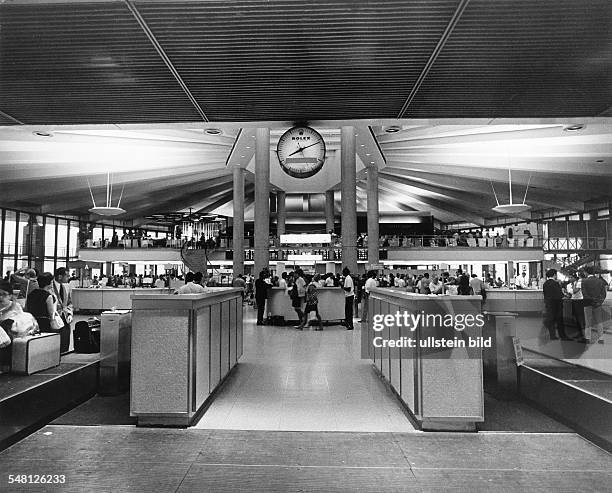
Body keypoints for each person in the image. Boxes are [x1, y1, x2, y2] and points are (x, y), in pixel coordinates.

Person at [581, 266, 608, 343]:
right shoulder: (600, 281)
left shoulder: (584, 281)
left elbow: (584, 294)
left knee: (588, 322)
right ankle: (601, 339)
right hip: (598, 305)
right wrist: (599, 302)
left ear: (586, 272)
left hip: (587, 304)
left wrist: (591, 301)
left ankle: (587, 339)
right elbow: (603, 294)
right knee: (599, 321)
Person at [542, 269, 570, 340]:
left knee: (551, 319)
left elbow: (545, 294)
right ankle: (563, 336)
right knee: (559, 321)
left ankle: (552, 335)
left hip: (549, 304)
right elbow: (559, 295)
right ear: (554, 275)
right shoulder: (556, 283)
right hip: (557, 304)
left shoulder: (545, 283)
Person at [52, 267, 73, 353]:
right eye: (67, 276)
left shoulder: (66, 287)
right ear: (60, 276)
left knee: (65, 339)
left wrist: (70, 313)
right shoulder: (50, 287)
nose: (68, 278)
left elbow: (69, 303)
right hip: (55, 318)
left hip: (65, 318)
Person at [570, 270, 586, 342]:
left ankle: (583, 336)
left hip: (579, 301)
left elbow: (575, 291)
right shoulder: (577, 282)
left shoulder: (579, 281)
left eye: (571, 277)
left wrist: (573, 285)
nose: (570, 278)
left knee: (580, 318)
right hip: (575, 300)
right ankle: (580, 333)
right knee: (577, 318)